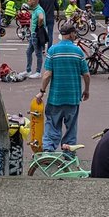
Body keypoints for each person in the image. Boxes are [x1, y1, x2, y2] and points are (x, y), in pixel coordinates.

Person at [35, 19, 91, 151]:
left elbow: (47, 74)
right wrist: (86, 90)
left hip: (55, 98)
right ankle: (68, 154)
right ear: (71, 34)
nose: (75, 35)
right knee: (71, 128)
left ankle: (48, 150)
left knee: (52, 125)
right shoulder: (78, 52)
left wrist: (42, 91)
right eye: (74, 33)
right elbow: (86, 75)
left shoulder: (53, 50)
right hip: (73, 98)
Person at [24, 0, 45, 77]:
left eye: (29, 0)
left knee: (38, 53)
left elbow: (41, 17)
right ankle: (28, 70)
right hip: (33, 34)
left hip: (36, 34)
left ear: (34, 1)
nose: (28, 2)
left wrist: (39, 26)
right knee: (28, 52)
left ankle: (38, 72)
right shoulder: (35, 9)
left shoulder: (38, 10)